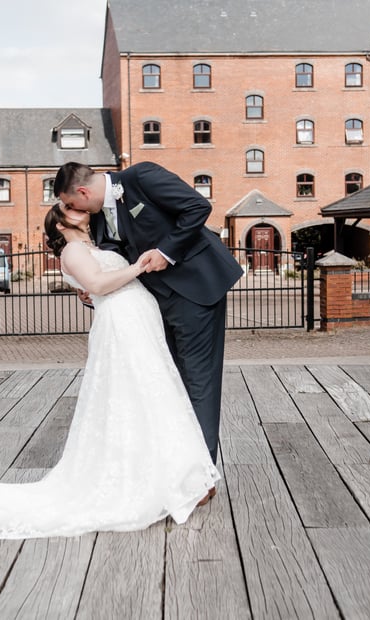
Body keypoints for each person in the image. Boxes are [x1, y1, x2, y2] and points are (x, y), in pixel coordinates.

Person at [0, 204, 220, 538]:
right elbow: (99, 284)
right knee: (137, 393)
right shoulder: (73, 250)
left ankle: (173, 474)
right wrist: (138, 267)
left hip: (136, 319)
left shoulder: (94, 245)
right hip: (122, 321)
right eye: (67, 208)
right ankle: (155, 478)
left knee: (150, 392)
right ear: (60, 226)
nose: (76, 208)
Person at [54, 161, 242, 476]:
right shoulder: (97, 217)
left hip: (195, 291)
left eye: (72, 204)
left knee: (198, 380)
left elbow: (197, 207)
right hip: (153, 306)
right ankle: (176, 462)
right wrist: (92, 291)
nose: (74, 211)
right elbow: (114, 260)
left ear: (83, 192)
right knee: (171, 380)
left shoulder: (141, 177)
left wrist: (165, 252)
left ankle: (201, 474)